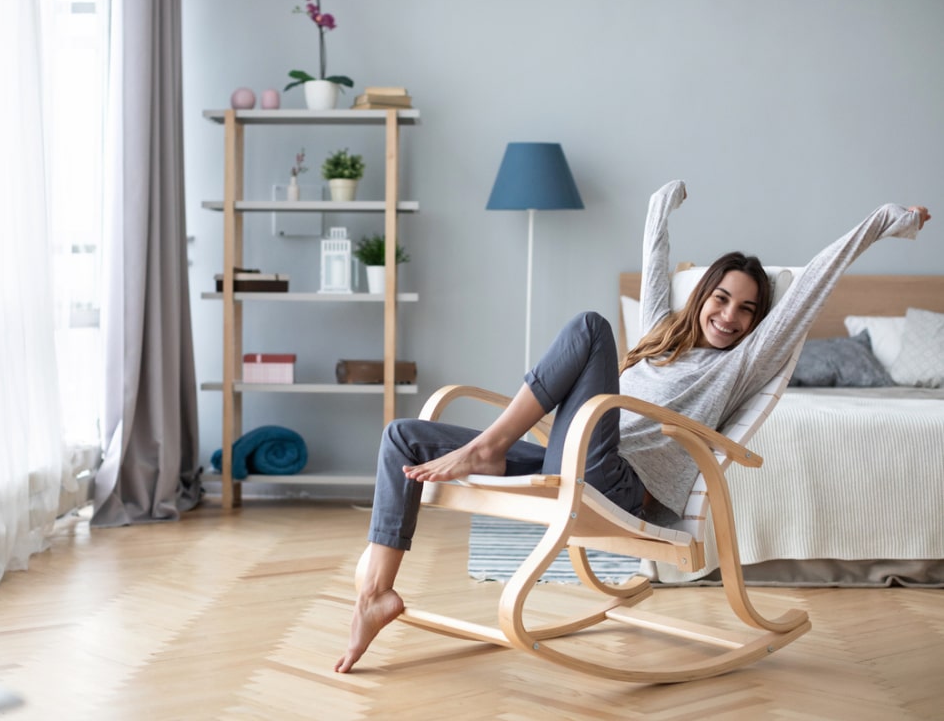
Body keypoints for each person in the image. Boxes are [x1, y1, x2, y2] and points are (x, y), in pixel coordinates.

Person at [334, 180, 931, 673]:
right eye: (720, 298)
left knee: (591, 328)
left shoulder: (742, 364)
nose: (730, 316)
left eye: (747, 309)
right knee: (401, 436)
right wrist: (659, 210)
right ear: (699, 298)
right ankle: (375, 594)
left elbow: (813, 284)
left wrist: (884, 223)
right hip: (578, 463)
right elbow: (655, 269)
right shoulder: (659, 343)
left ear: (758, 324)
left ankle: (490, 446)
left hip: (625, 488)